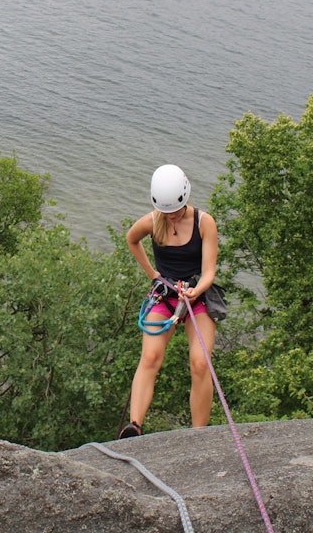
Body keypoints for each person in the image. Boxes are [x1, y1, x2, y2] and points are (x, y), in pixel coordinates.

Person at [119, 164, 224, 438]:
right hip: (165, 295)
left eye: (175, 210)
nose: (172, 216)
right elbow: (132, 239)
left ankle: (198, 433)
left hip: (197, 296)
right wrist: (152, 273)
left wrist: (195, 289)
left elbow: (210, 269)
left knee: (200, 363)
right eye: (166, 212)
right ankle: (135, 425)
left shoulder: (205, 222)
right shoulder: (154, 221)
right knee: (150, 356)